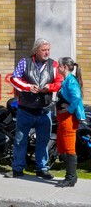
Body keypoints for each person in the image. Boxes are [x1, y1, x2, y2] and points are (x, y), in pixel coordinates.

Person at [5, 38, 63, 179]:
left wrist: (49, 87)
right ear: (36, 50)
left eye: (48, 49)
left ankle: (42, 168)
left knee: (43, 141)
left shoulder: (54, 65)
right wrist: (28, 87)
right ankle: (18, 168)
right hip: (26, 108)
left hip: (44, 109)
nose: (46, 52)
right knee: (20, 140)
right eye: (43, 50)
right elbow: (14, 79)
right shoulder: (25, 62)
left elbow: (59, 81)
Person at [55, 57, 86, 187]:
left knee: (68, 147)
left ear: (65, 68)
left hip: (68, 119)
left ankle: (71, 178)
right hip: (63, 119)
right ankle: (69, 176)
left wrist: (69, 108)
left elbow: (77, 97)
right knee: (62, 146)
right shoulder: (66, 80)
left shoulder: (71, 81)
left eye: (59, 66)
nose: (57, 68)